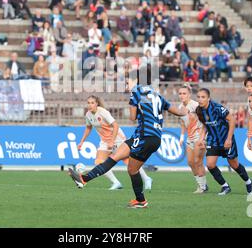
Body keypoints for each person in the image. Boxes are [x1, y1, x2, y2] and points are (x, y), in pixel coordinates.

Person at [68, 68, 187, 208]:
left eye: (128, 80)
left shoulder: (136, 91)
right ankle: (84, 179)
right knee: (115, 157)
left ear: (136, 80)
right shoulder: (157, 95)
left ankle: (141, 200)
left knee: (132, 169)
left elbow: (131, 117)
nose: (127, 83)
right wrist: (188, 110)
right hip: (151, 136)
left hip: (145, 135)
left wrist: (137, 110)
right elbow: (178, 112)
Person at [196, 88, 252, 196]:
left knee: (234, 164)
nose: (200, 99)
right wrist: (201, 138)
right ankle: (225, 186)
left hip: (226, 139)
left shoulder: (217, 108)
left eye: (203, 97)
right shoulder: (199, 110)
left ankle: (249, 182)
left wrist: (229, 139)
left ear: (208, 98)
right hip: (213, 140)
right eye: (198, 97)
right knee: (210, 165)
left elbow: (232, 119)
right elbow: (206, 125)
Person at [178, 84, 208, 193]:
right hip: (189, 137)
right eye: (180, 93)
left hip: (199, 137)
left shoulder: (195, 105)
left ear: (189, 94)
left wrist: (202, 137)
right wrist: (181, 137)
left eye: (184, 93)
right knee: (190, 162)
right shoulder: (180, 107)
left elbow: (205, 121)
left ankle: (202, 187)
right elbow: (182, 123)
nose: (182, 96)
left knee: (197, 161)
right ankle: (202, 184)